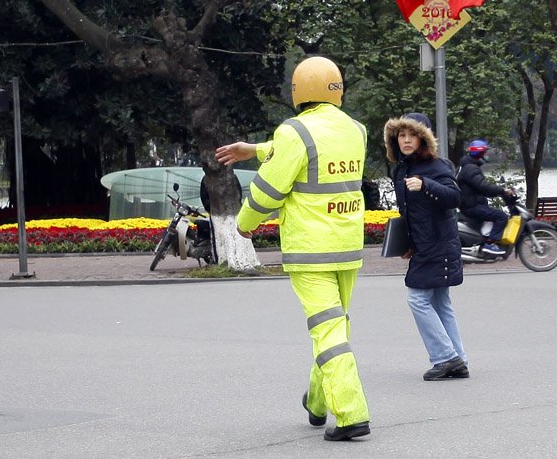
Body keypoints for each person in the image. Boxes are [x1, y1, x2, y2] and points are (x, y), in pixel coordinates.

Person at [215, 56, 370, 442]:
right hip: (347, 244)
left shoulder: (294, 132)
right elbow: (309, 149)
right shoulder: (356, 130)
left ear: (298, 91)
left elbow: (271, 187)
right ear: (338, 89)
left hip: (310, 250)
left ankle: (351, 413)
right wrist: (257, 149)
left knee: (329, 329)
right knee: (333, 324)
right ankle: (318, 403)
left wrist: (246, 224)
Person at [384, 112, 469, 381]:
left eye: (412, 135)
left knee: (417, 299)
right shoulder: (402, 169)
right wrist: (407, 242)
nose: (406, 140)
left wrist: (426, 185)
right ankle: (459, 359)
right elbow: (408, 211)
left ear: (424, 139)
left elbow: (455, 197)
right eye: (401, 136)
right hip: (424, 246)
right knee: (441, 302)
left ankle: (445, 357)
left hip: (439, 245)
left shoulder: (437, 166)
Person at [456, 139, 515, 255]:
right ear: (479, 154)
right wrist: (502, 190)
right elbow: (482, 186)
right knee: (501, 216)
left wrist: (497, 192)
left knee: (492, 215)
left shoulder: (467, 166)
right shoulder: (471, 168)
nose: (487, 155)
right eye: (485, 152)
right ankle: (489, 244)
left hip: (470, 204)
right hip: (472, 206)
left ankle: (482, 241)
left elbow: (481, 188)